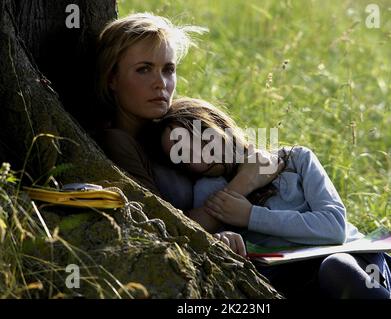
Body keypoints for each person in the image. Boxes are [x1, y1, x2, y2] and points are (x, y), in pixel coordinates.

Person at [152, 97, 391, 299]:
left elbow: (333, 227)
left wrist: (251, 216)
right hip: (295, 279)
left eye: (202, 135)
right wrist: (229, 230)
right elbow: (199, 230)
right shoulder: (210, 193)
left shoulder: (297, 159)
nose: (200, 151)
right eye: (183, 151)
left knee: (337, 267)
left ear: (219, 122)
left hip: (357, 262)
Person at [94, 13, 283, 255]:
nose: (161, 83)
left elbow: (249, 159)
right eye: (144, 69)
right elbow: (160, 229)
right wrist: (242, 186)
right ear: (112, 78)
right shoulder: (117, 142)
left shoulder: (174, 125)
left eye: (168, 69)